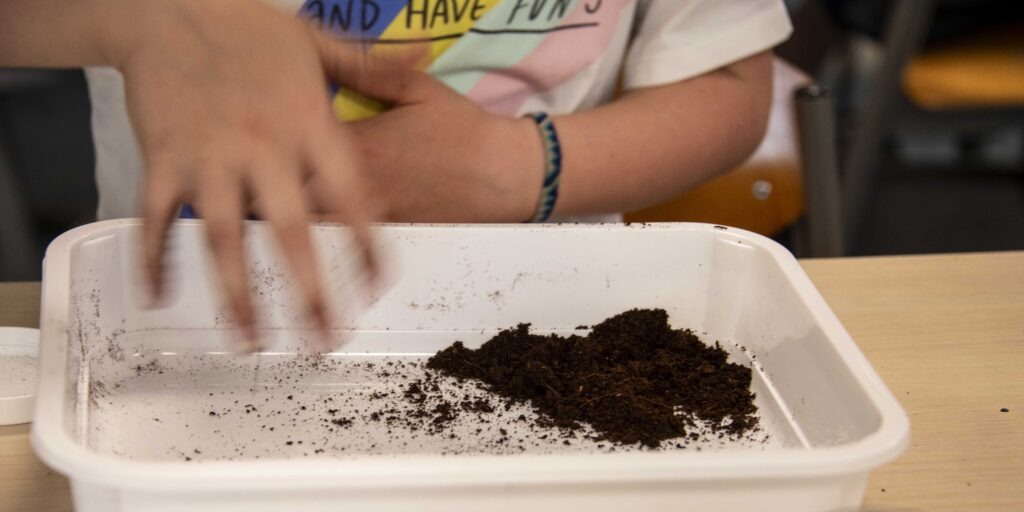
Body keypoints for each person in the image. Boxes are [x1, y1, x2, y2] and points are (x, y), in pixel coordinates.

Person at [0, 0, 792, 345]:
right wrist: (143, 19)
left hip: (552, 313)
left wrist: (514, 166)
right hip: (190, 319)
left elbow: (730, 81)